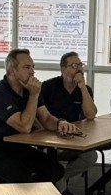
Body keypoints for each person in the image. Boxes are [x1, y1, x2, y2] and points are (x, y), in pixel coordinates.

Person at [0, 49, 78, 184]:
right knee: (22, 177)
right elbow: (24, 126)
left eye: (33, 67)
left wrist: (60, 123)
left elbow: (46, 119)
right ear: (12, 70)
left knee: (54, 169)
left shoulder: (29, 89)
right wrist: (34, 95)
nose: (32, 72)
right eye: (27, 67)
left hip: (17, 147)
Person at [38, 51, 99, 185]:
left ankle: (58, 179)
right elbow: (39, 115)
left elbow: (90, 115)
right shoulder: (48, 87)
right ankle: (59, 187)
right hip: (51, 136)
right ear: (63, 69)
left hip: (73, 137)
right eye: (74, 65)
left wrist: (82, 87)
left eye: (80, 65)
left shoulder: (85, 89)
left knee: (91, 156)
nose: (79, 69)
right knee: (54, 159)